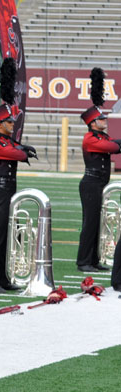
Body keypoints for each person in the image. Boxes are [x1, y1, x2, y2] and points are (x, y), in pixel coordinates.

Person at [0, 104, 36, 293]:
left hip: (9, 193)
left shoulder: (6, 140)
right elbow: (16, 153)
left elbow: (17, 147)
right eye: (8, 121)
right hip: (0, 194)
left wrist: (22, 147)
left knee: (9, 237)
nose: (12, 124)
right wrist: (23, 150)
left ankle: (3, 279)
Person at [76, 74, 120, 273]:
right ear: (93, 123)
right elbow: (112, 147)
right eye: (100, 118)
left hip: (99, 183)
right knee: (90, 223)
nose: (104, 120)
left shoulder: (100, 135)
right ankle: (83, 261)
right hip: (92, 184)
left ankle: (93, 260)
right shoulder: (90, 139)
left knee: (97, 223)